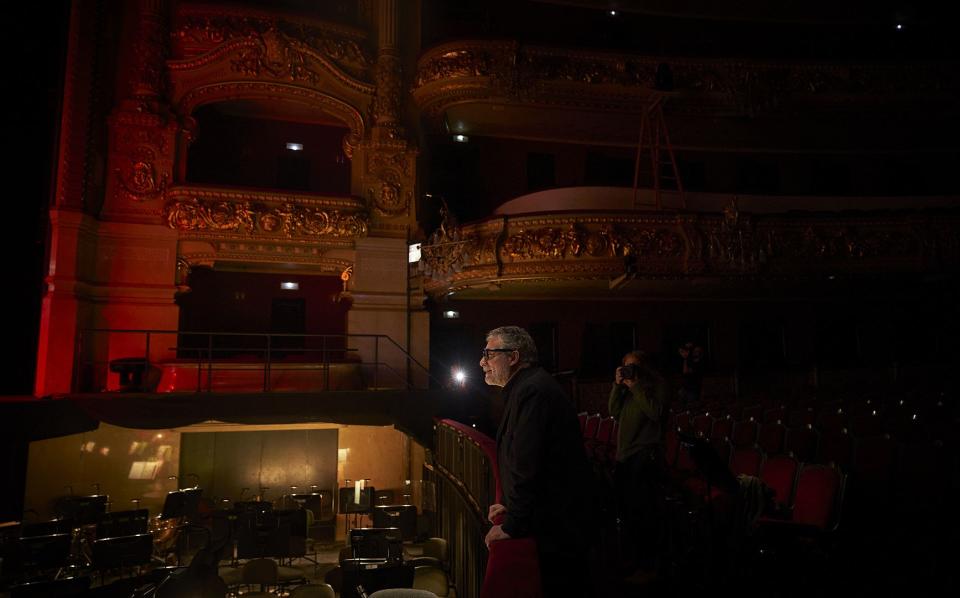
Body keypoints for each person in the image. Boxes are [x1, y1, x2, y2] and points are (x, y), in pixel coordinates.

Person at [481, 326, 592, 596]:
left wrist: (512, 524)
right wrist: (508, 502)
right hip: (553, 520)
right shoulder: (527, 387)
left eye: (489, 354)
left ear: (513, 356)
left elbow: (528, 463)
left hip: (557, 529)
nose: (482, 362)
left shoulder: (533, 391)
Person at [608, 350, 669, 577]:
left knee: (644, 514)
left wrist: (635, 386)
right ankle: (633, 560)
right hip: (624, 456)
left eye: (634, 366)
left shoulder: (656, 385)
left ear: (645, 367)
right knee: (627, 513)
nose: (629, 370)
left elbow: (656, 413)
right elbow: (613, 411)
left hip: (645, 455)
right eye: (626, 366)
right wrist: (618, 386)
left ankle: (648, 565)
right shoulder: (626, 389)